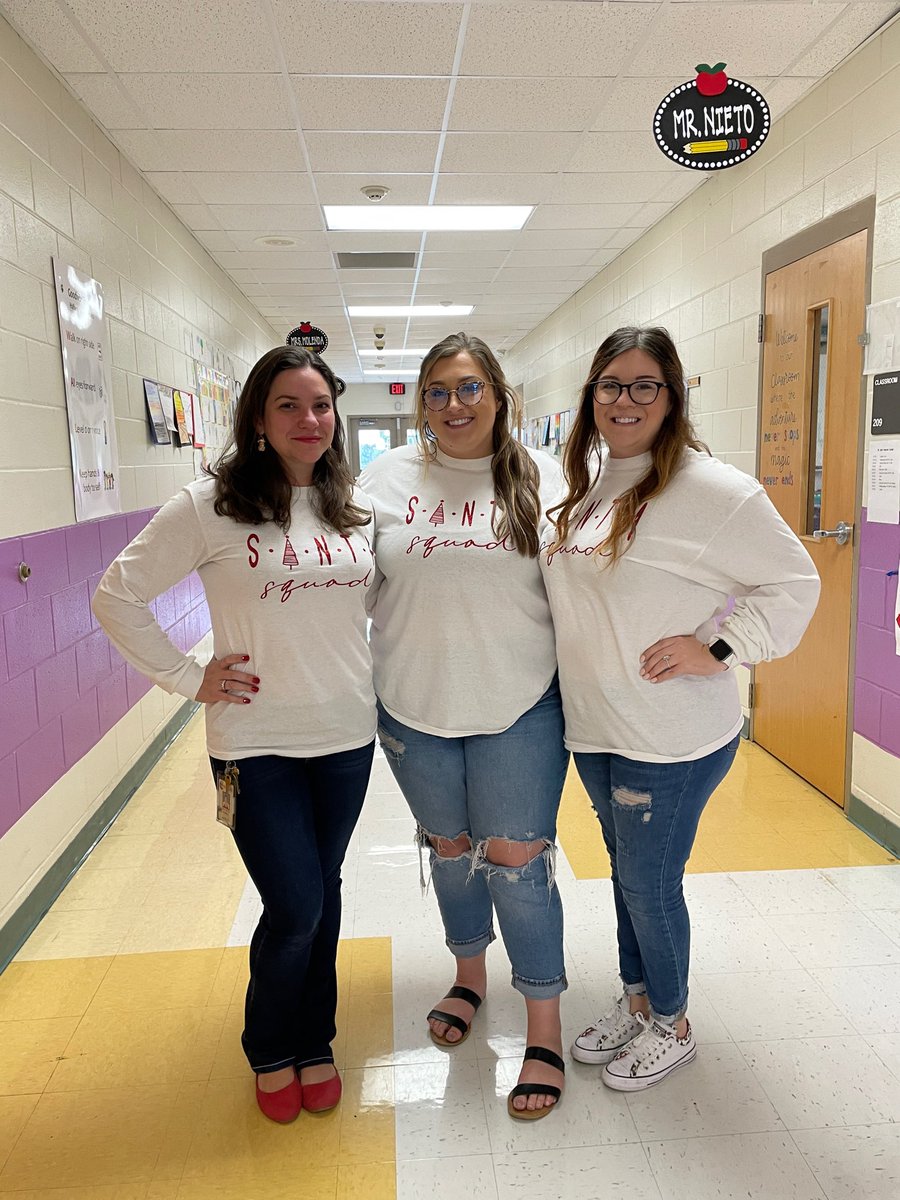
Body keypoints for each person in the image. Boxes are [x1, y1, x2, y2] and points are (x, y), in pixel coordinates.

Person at [92, 346, 376, 1124]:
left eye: (320, 405)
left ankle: (315, 1038)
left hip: (347, 737)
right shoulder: (208, 504)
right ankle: (269, 1046)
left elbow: (373, 610)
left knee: (327, 891)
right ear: (257, 417)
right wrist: (190, 678)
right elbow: (117, 595)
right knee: (294, 906)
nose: (308, 420)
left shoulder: (355, 507)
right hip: (254, 746)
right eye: (288, 404)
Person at [543, 326, 819, 1091]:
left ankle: (673, 1022)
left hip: (668, 734)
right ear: (590, 397)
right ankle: (640, 1003)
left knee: (649, 882)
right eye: (610, 385)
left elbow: (796, 585)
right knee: (629, 875)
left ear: (674, 395)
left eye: (644, 385)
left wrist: (721, 650)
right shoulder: (597, 483)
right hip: (600, 727)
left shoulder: (715, 491)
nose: (624, 400)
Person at [359, 333, 569, 1119]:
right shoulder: (382, 479)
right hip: (413, 705)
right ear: (420, 400)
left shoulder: (543, 477)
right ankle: (469, 978)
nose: (455, 404)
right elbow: (348, 584)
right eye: (439, 390)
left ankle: (542, 1023)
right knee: (451, 853)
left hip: (520, 704)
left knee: (516, 864)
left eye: (471, 387)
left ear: (498, 394)